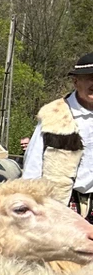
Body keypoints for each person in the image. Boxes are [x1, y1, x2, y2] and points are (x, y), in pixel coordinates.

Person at [22, 52, 93, 221]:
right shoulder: (54, 116)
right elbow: (32, 166)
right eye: (90, 78)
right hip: (62, 202)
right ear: (76, 82)